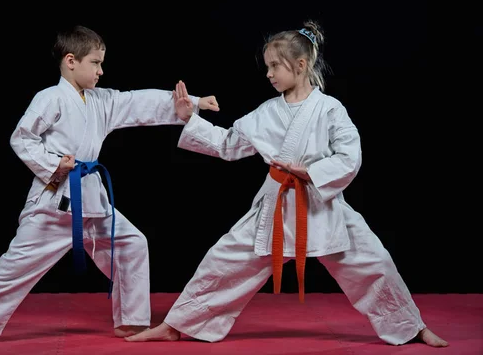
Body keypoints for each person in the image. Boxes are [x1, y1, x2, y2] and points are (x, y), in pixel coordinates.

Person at [125, 21, 448, 348]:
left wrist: (310, 172)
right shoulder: (267, 113)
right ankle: (176, 325)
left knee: (375, 262)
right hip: (276, 208)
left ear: (301, 65)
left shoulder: (329, 109)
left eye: (275, 66)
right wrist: (189, 119)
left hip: (324, 206)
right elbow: (228, 145)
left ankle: (413, 328)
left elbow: (350, 155)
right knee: (222, 261)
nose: (268, 74)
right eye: (267, 67)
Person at [0, 25, 220, 349]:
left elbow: (135, 103)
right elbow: (22, 137)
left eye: (102, 63)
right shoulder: (49, 98)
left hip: (92, 201)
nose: (101, 71)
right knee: (16, 263)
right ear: (71, 61)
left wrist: (193, 103)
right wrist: (53, 164)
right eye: (95, 63)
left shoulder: (100, 100)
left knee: (132, 244)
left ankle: (130, 319)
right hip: (56, 201)